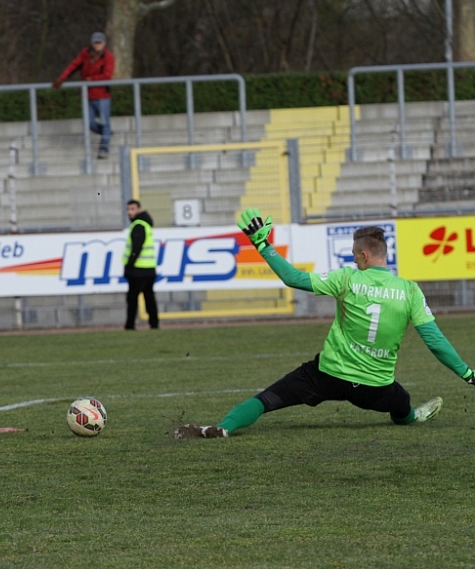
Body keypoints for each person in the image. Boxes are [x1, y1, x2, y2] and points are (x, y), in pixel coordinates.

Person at [175, 210, 475, 439]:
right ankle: (411, 417)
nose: (354, 260)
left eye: (355, 255)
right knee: (401, 403)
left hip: (327, 375)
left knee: (266, 399)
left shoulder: (347, 278)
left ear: (364, 255)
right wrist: (467, 374)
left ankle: (224, 427)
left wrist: (262, 244)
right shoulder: (410, 291)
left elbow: (293, 278)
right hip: (374, 387)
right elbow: (435, 341)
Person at [53, 32, 115, 159]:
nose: (97, 45)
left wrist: (91, 79)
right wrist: (62, 78)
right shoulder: (85, 53)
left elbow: (107, 75)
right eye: (95, 42)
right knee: (88, 122)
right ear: (92, 43)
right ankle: (106, 133)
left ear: (104, 44)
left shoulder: (108, 56)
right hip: (88, 95)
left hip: (102, 95)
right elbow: (73, 65)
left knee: (105, 122)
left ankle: (104, 148)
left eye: (99, 43)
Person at [123, 199, 158, 330]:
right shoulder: (146, 224)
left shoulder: (138, 225)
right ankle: (154, 324)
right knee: (149, 298)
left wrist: (129, 265)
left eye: (132, 209)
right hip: (149, 268)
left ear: (139, 210)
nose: (129, 212)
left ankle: (130, 325)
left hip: (138, 270)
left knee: (132, 298)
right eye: (128, 209)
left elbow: (136, 248)